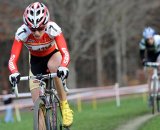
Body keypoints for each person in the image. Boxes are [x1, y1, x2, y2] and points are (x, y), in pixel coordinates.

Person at [8, 2, 73, 127]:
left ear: (46, 24)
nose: (37, 33)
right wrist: (14, 72)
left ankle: (65, 106)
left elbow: (65, 53)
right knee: (37, 106)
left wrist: (63, 67)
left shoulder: (52, 28)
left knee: (55, 66)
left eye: (40, 28)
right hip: (36, 61)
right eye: (33, 29)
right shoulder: (22, 33)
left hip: (53, 55)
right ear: (28, 27)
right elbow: (12, 59)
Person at [139, 26, 160, 105]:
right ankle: (150, 95)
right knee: (149, 74)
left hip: (159, 54)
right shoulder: (142, 42)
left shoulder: (158, 39)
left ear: (153, 36)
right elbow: (142, 54)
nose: (149, 41)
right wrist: (143, 61)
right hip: (150, 56)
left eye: (151, 38)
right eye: (147, 39)